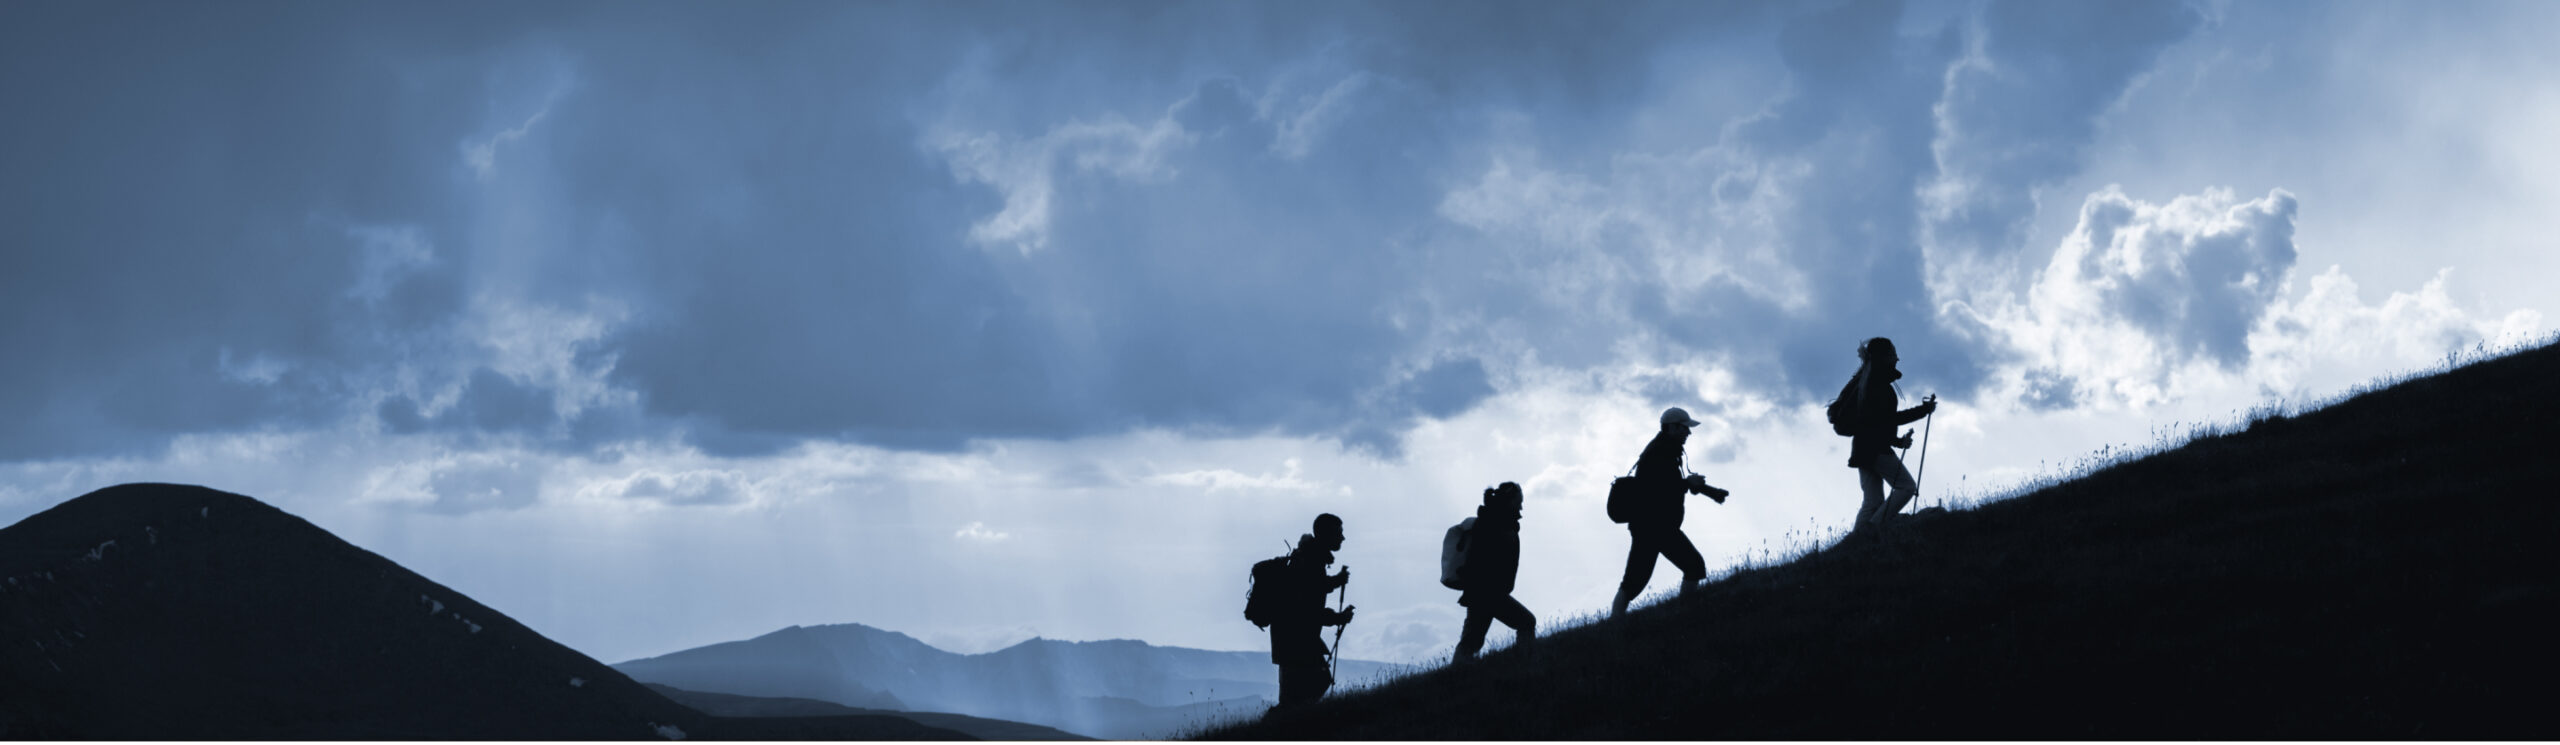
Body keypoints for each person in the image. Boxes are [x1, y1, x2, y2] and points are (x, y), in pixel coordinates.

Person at [1612, 407, 1732, 617]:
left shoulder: (1665, 449)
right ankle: (1686, 614)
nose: (1689, 433)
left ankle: (1614, 625)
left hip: (1652, 526)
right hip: (1655, 527)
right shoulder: (1660, 452)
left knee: (1634, 582)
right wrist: (1689, 483)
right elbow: (1658, 489)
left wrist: (1709, 492)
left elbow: (1672, 484)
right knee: (1693, 566)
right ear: (1673, 427)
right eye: (1685, 428)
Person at [1844, 337, 1936, 534]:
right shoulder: (1878, 384)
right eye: (1893, 354)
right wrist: (1923, 410)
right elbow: (1888, 419)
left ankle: (1855, 543)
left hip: (1862, 448)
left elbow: (1875, 422)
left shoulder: (1867, 382)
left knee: (1873, 501)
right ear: (1884, 357)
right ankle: (1873, 531)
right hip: (1876, 449)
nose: (1897, 358)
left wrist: (1897, 441)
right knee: (1907, 487)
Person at [1269, 513, 1354, 711]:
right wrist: (1338, 618)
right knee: (1300, 695)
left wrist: (1335, 582)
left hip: (1291, 639)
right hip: (1296, 641)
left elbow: (1312, 592)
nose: (1342, 538)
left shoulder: (1309, 558)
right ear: (1327, 534)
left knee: (1302, 693)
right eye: (1339, 533)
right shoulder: (1311, 562)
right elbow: (1307, 609)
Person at [1454, 482, 1534, 661]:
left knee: (1471, 641)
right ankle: (1526, 662)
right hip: (1488, 593)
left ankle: (1454, 675)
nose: (1521, 506)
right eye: (1519, 501)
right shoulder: (1496, 523)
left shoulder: (1494, 520)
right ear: (1510, 501)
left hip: (1484, 592)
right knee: (1526, 622)